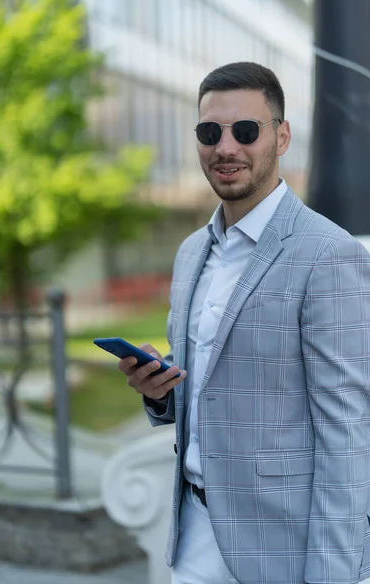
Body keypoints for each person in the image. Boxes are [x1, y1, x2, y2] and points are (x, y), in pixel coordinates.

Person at [118, 62, 370, 584]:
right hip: (190, 539)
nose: (226, 147)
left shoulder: (329, 254)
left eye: (246, 131)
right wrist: (160, 391)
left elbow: (348, 436)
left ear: (281, 137)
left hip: (284, 554)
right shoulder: (190, 254)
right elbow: (207, 388)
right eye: (210, 132)